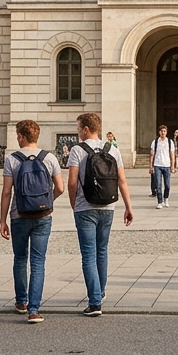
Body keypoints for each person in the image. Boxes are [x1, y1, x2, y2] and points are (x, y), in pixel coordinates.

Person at [65, 112, 134, 317]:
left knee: (88, 254)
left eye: (78, 128)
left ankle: (95, 302)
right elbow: (122, 180)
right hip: (108, 206)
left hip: (85, 207)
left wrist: (73, 204)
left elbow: (71, 182)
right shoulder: (112, 148)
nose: (77, 132)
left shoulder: (77, 150)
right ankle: (100, 292)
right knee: (102, 250)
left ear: (86, 129)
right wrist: (128, 206)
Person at [0, 118, 64, 323]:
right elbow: (60, 188)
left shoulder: (12, 159)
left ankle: (21, 301)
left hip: (19, 215)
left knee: (20, 259)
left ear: (21, 136)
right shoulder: (50, 158)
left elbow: (7, 192)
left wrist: (2, 220)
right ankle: (34, 310)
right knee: (38, 262)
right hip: (43, 216)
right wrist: (47, 202)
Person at [150, 125, 173, 209]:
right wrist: (151, 166)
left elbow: (172, 154)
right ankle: (160, 202)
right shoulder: (155, 142)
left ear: (166, 132)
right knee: (158, 185)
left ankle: (166, 198)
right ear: (159, 132)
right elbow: (152, 154)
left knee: (167, 185)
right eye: (161, 131)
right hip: (157, 165)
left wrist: (173, 165)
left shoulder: (170, 142)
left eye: (164, 131)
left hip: (167, 165)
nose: (163, 133)